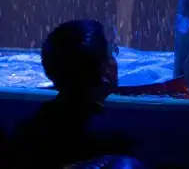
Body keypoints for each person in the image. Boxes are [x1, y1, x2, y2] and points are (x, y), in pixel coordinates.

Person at [10, 20, 133, 169]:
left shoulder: (30, 130)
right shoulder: (112, 145)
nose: (115, 61)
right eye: (112, 53)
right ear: (105, 74)